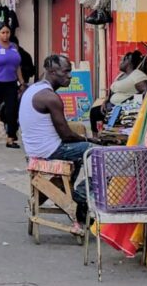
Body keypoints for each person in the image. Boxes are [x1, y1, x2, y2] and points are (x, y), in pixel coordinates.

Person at [19, 54, 95, 233]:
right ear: (52, 72)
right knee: (100, 155)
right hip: (50, 150)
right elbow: (66, 135)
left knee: (80, 154)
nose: (70, 76)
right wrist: (89, 140)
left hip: (37, 148)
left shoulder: (34, 88)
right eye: (66, 71)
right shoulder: (50, 98)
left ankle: (69, 198)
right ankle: (78, 198)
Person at [89, 51, 147, 135]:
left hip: (123, 109)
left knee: (97, 113)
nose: (120, 63)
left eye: (122, 60)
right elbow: (112, 90)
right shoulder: (121, 75)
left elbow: (146, 92)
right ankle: (95, 138)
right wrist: (106, 101)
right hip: (111, 106)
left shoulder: (137, 75)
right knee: (94, 112)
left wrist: (128, 103)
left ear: (128, 61)